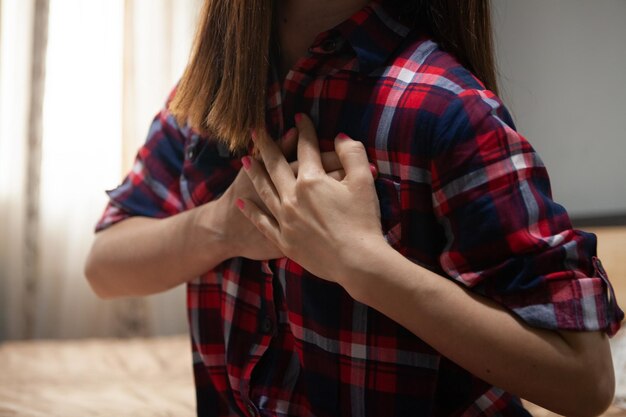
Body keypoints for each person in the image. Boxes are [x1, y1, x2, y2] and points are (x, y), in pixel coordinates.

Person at [85, 0, 623, 416]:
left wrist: (361, 262)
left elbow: (586, 379)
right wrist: (221, 226)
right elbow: (104, 266)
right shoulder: (212, 93)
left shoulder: (446, 108)